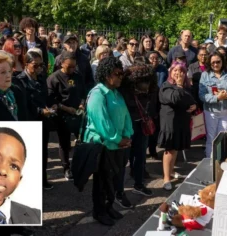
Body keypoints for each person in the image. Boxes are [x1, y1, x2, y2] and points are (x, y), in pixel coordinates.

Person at [84, 57, 133, 225]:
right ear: (106, 75)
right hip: (103, 145)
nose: (120, 77)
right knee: (102, 181)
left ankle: (109, 206)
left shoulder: (116, 92)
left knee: (114, 178)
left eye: (121, 74)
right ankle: (99, 211)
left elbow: (125, 115)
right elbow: (102, 123)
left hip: (119, 144)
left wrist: (128, 135)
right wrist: (119, 140)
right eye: (116, 74)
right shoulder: (97, 94)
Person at [12, 51, 53, 190]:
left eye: (41, 65)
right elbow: (24, 103)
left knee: (43, 151)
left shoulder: (41, 78)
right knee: (29, 153)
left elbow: (45, 97)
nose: (39, 68)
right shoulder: (19, 80)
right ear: (26, 64)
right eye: (35, 66)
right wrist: (39, 111)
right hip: (30, 120)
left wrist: (49, 106)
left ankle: (43, 179)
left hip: (44, 120)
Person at [119, 65, 157, 197]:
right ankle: (119, 191)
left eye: (148, 81)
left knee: (141, 156)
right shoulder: (125, 91)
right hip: (128, 128)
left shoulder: (149, 91)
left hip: (142, 126)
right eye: (143, 81)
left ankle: (139, 184)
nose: (146, 84)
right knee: (123, 160)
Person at [47, 51, 86, 181]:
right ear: (61, 63)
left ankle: (79, 165)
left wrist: (82, 103)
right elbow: (51, 100)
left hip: (77, 114)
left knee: (81, 141)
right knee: (64, 143)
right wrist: (65, 108)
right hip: (62, 116)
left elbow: (83, 92)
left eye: (74, 66)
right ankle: (66, 167)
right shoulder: (54, 78)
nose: (72, 69)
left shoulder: (77, 76)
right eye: (69, 66)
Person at [159, 62, 196, 190]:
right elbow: (174, 98)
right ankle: (166, 179)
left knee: (175, 150)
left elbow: (190, 99)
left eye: (181, 71)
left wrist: (194, 106)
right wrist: (179, 85)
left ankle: (171, 171)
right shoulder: (166, 86)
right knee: (169, 150)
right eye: (175, 70)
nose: (178, 73)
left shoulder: (185, 86)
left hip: (182, 121)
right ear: (170, 72)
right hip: (170, 122)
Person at [199, 52, 227, 158]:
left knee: (222, 137)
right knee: (211, 138)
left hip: (226, 111)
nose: (215, 64)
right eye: (213, 62)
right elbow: (202, 95)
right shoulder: (205, 75)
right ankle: (209, 161)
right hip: (211, 111)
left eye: (218, 62)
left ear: (223, 61)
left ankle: (219, 161)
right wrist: (217, 98)